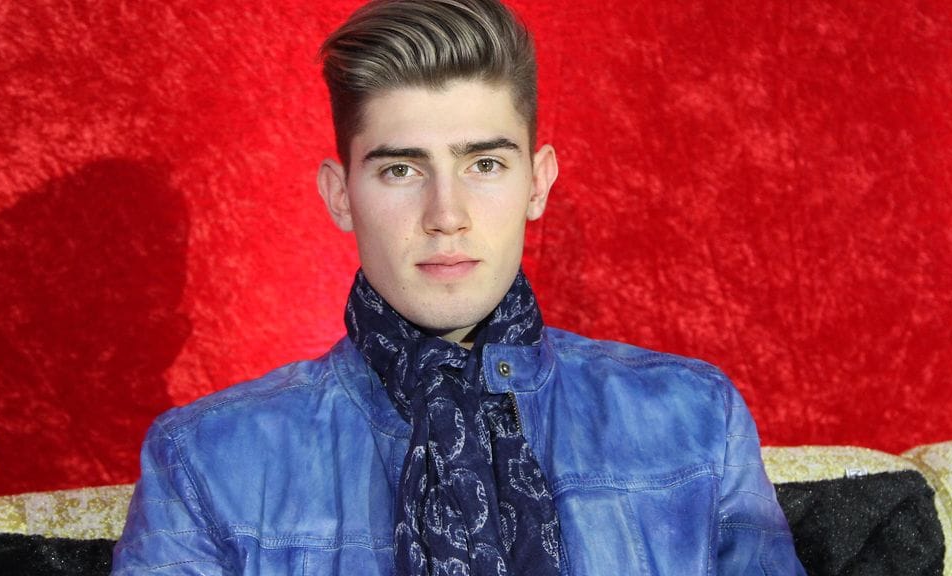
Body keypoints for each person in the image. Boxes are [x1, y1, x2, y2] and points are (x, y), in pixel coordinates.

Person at [112, 0, 806, 574]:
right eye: (401, 170)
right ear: (340, 194)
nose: (446, 215)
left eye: (484, 164)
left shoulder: (695, 421)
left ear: (537, 182)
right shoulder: (205, 462)